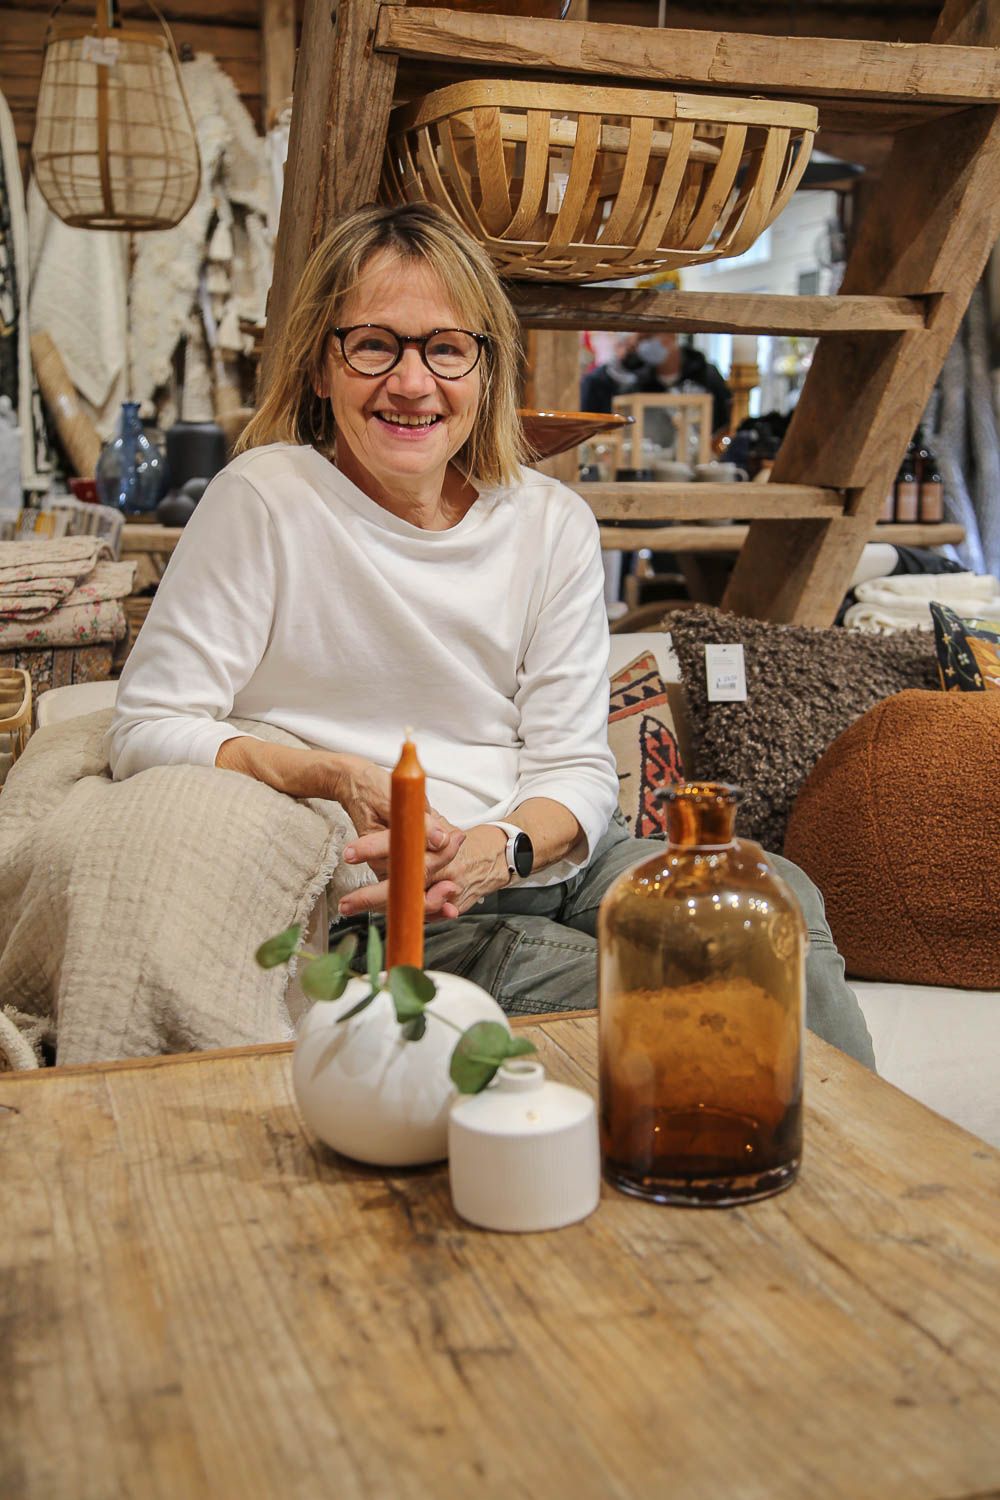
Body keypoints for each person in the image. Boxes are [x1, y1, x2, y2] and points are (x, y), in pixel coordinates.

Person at [107, 202, 873, 1066]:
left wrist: (500, 849)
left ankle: (863, 1147)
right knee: (675, 990)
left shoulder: (549, 522)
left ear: (486, 368)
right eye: (373, 345)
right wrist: (326, 772)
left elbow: (575, 765)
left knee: (769, 901)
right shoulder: (266, 499)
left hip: (540, 859)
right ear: (321, 366)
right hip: (389, 906)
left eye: (446, 348)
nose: (411, 383)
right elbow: (144, 726)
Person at [581, 331, 732, 436]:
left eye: (649, 337)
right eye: (640, 340)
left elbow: (724, 424)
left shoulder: (706, 375)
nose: (643, 345)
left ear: (671, 335)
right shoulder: (639, 383)